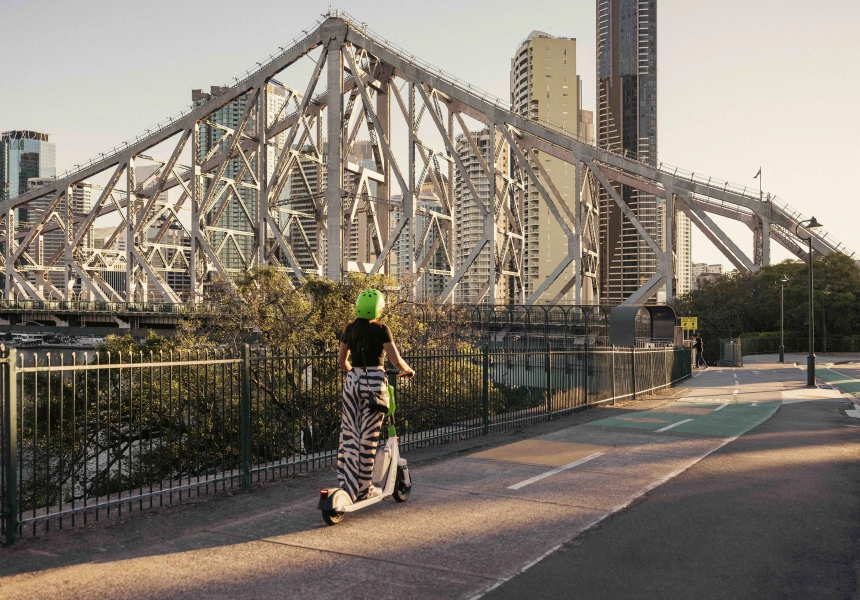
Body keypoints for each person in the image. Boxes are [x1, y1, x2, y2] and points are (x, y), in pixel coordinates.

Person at [337, 289, 415, 501]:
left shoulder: (350, 330)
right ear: (378, 309)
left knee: (349, 437)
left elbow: (342, 361)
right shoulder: (382, 330)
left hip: (352, 384)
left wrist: (355, 375)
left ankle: (347, 486)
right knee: (367, 440)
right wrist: (409, 371)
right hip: (375, 386)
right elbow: (396, 361)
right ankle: (364, 490)